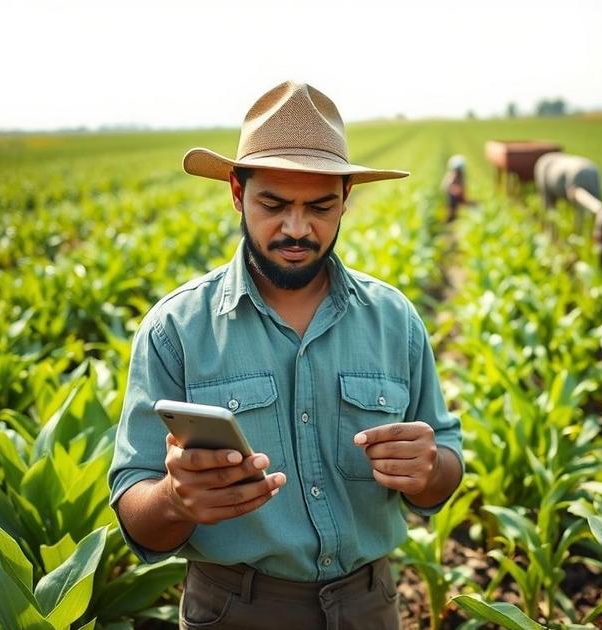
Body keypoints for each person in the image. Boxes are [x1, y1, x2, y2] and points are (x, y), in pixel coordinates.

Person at [108, 80, 464, 630]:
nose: (297, 229)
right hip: (234, 609)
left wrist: (430, 467)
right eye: (273, 205)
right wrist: (176, 501)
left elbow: (444, 465)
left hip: (370, 604)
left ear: (346, 197)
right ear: (237, 192)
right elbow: (135, 510)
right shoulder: (175, 330)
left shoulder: (395, 320)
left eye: (320, 207)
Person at [441, 154, 470, 222]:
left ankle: (455, 217)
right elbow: (445, 187)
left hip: (457, 198)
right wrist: (455, 190)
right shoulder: (451, 176)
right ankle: (450, 217)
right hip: (451, 199)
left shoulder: (461, 177)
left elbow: (464, 188)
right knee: (452, 205)